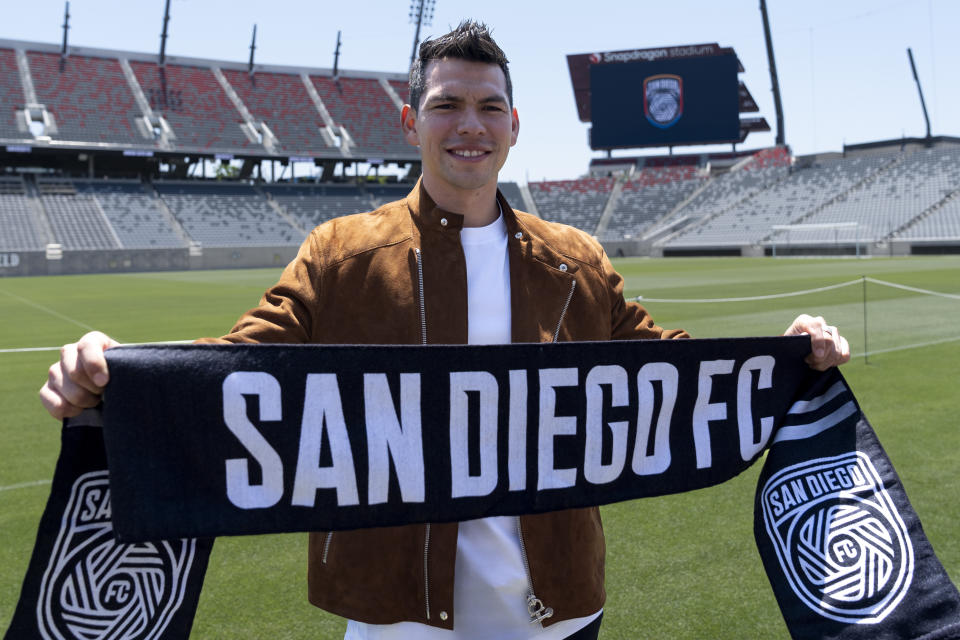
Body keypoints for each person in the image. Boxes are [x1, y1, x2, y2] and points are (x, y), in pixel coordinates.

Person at [39, 20, 850, 640]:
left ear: (514, 124)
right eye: (448, 105)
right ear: (410, 120)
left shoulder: (574, 258)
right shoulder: (341, 251)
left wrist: (789, 357)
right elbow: (241, 364)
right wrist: (117, 372)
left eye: (489, 106)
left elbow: (668, 369)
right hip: (395, 617)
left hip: (557, 610)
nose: (471, 123)